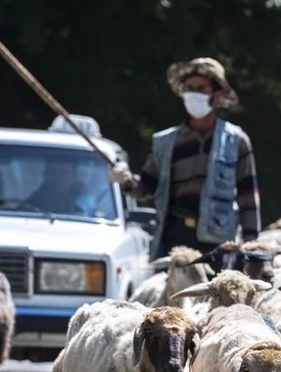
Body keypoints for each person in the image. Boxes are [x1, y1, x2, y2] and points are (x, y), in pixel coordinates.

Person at [109, 57, 260, 257]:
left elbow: (248, 198)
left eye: (201, 88)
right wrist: (126, 181)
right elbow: (146, 187)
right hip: (175, 238)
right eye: (189, 88)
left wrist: (252, 246)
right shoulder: (165, 143)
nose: (194, 94)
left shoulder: (236, 141)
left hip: (219, 243)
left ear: (217, 95)